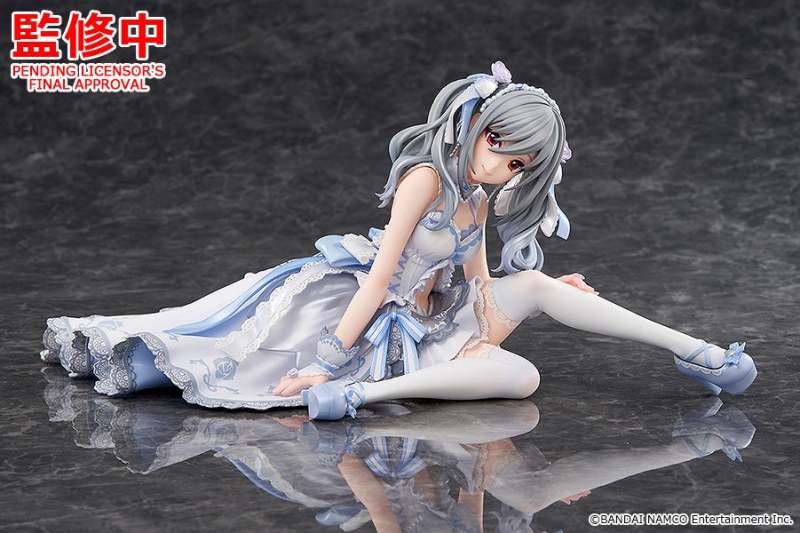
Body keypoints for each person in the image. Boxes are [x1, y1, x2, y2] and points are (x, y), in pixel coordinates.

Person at [40, 61, 757, 420]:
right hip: (363, 313)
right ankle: (358, 392)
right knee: (521, 370)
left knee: (529, 353)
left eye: (519, 168)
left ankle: (696, 352)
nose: (502, 171)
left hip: (438, 314)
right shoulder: (425, 179)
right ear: (477, 127)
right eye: (502, 151)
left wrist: (544, 293)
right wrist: (326, 362)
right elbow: (381, 277)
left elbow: (479, 283)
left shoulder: (478, 197)